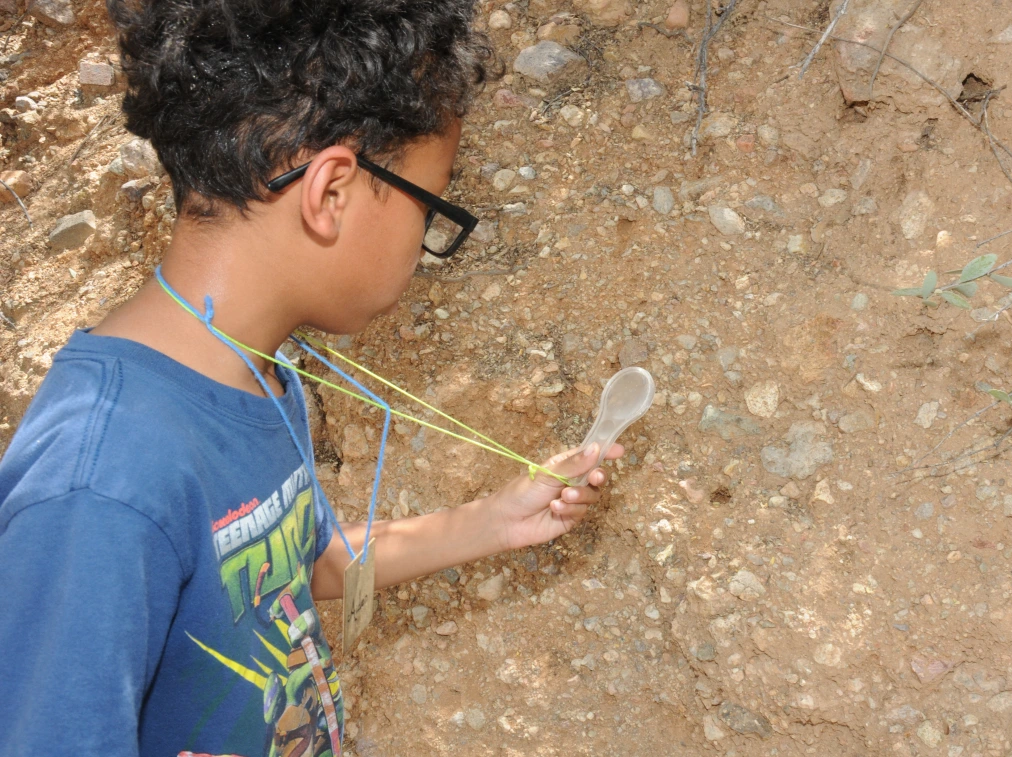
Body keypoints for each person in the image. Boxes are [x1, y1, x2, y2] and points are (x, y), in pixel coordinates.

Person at [0, 2, 621, 755]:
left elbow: (300, 562)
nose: (424, 246)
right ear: (331, 192)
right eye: (430, 208)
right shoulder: (104, 486)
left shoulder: (251, 366)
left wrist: (495, 519)